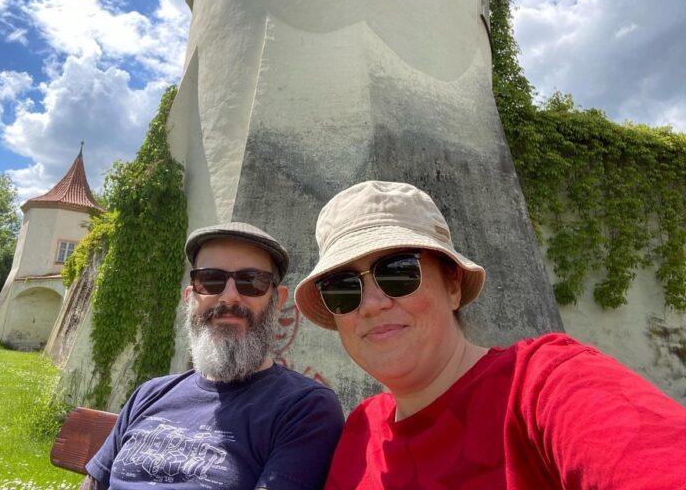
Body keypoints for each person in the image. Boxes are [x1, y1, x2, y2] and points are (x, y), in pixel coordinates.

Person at [295, 180, 686, 489]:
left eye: (398, 271)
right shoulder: (361, 428)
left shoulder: (542, 385)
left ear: (452, 285)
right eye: (342, 287)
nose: (371, 303)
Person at [83, 222, 344, 490]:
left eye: (252, 281)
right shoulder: (149, 394)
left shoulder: (304, 408)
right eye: (210, 280)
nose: (229, 297)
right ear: (190, 296)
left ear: (278, 301)